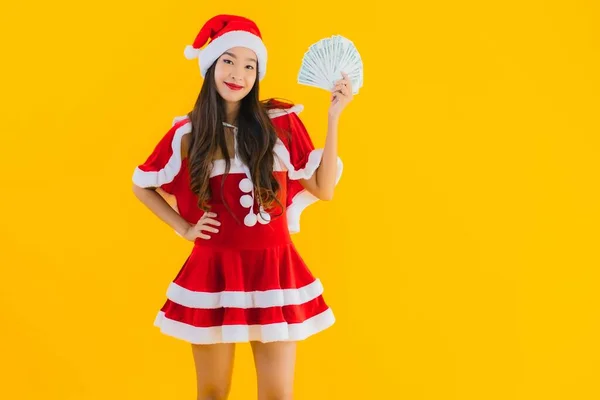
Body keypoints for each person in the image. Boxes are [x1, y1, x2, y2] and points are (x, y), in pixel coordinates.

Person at [131, 14, 353, 400]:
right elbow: (142, 185)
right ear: (211, 66)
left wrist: (334, 116)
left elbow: (324, 188)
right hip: (213, 271)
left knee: (277, 395)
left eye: (250, 65)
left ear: (258, 74)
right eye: (228, 61)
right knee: (213, 393)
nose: (238, 74)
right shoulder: (188, 132)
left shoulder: (280, 124)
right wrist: (183, 228)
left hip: (275, 271)